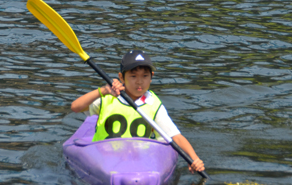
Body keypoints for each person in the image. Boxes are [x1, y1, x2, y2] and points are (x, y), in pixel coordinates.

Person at [71, 49, 205, 174]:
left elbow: (175, 136)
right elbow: (75, 107)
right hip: (104, 159)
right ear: (121, 77)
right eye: (133, 76)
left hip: (138, 163)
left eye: (145, 76)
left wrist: (194, 159)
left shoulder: (153, 104)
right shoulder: (108, 98)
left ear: (151, 77)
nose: (139, 82)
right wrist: (103, 91)